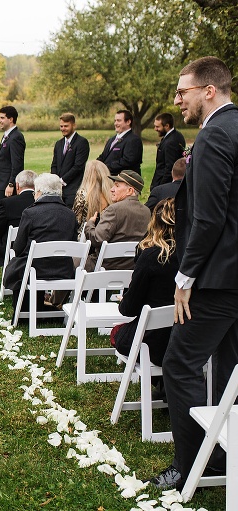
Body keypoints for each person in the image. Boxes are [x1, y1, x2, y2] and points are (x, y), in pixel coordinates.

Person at [150, 56, 238, 491]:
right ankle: (223, 455)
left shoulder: (215, 135)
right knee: (228, 370)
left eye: (182, 91)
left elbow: (208, 218)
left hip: (218, 278)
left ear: (209, 91)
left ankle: (195, 466)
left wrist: (185, 277)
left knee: (180, 365)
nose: (176, 99)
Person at [112, 198, 178, 367]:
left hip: (153, 343)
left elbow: (128, 309)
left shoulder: (152, 257)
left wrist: (126, 300)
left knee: (118, 333)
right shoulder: (195, 258)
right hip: (188, 341)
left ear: (154, 223)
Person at [3, 173, 78, 312]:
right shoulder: (70, 214)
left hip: (35, 269)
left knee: (17, 264)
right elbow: (74, 243)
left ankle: (24, 309)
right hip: (63, 269)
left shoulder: (31, 213)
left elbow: (18, 247)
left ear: (39, 192)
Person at [0, 170, 36, 298]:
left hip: (12, 248)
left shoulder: (8, 203)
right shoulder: (40, 202)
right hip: (36, 249)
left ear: (17, 186)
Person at [83, 170, 150, 271]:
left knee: (70, 262)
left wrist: (90, 224)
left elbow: (97, 239)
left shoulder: (114, 209)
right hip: (132, 268)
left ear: (130, 191)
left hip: (105, 266)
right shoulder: (147, 211)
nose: (111, 189)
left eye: (117, 186)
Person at [50, 113, 90, 208]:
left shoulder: (82, 142)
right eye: (61, 126)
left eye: (66, 126)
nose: (63, 128)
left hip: (73, 189)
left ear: (74, 125)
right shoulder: (58, 144)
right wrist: (55, 180)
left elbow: (78, 166)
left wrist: (62, 181)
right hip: (58, 190)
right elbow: (54, 164)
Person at [0, 105, 26, 203]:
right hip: (1, 183)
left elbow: (17, 164)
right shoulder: (7, 135)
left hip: (7, 185)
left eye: (2, 118)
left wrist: (11, 184)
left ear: (11, 119)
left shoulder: (16, 137)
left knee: (6, 214)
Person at [97, 109, 143, 175]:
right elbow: (103, 156)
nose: (115, 123)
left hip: (123, 181)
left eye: (118, 121)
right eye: (115, 121)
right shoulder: (111, 140)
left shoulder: (134, 140)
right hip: (108, 179)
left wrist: (105, 167)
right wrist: (94, 165)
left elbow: (127, 162)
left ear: (128, 122)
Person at [150, 112, 187, 190]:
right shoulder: (177, 135)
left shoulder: (170, 142)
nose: (155, 129)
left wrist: (161, 188)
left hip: (163, 184)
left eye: (157, 127)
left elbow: (169, 168)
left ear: (167, 126)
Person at [73, 160, 112, 231]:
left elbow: (76, 220)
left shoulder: (83, 194)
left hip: (86, 234)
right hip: (107, 232)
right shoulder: (112, 193)